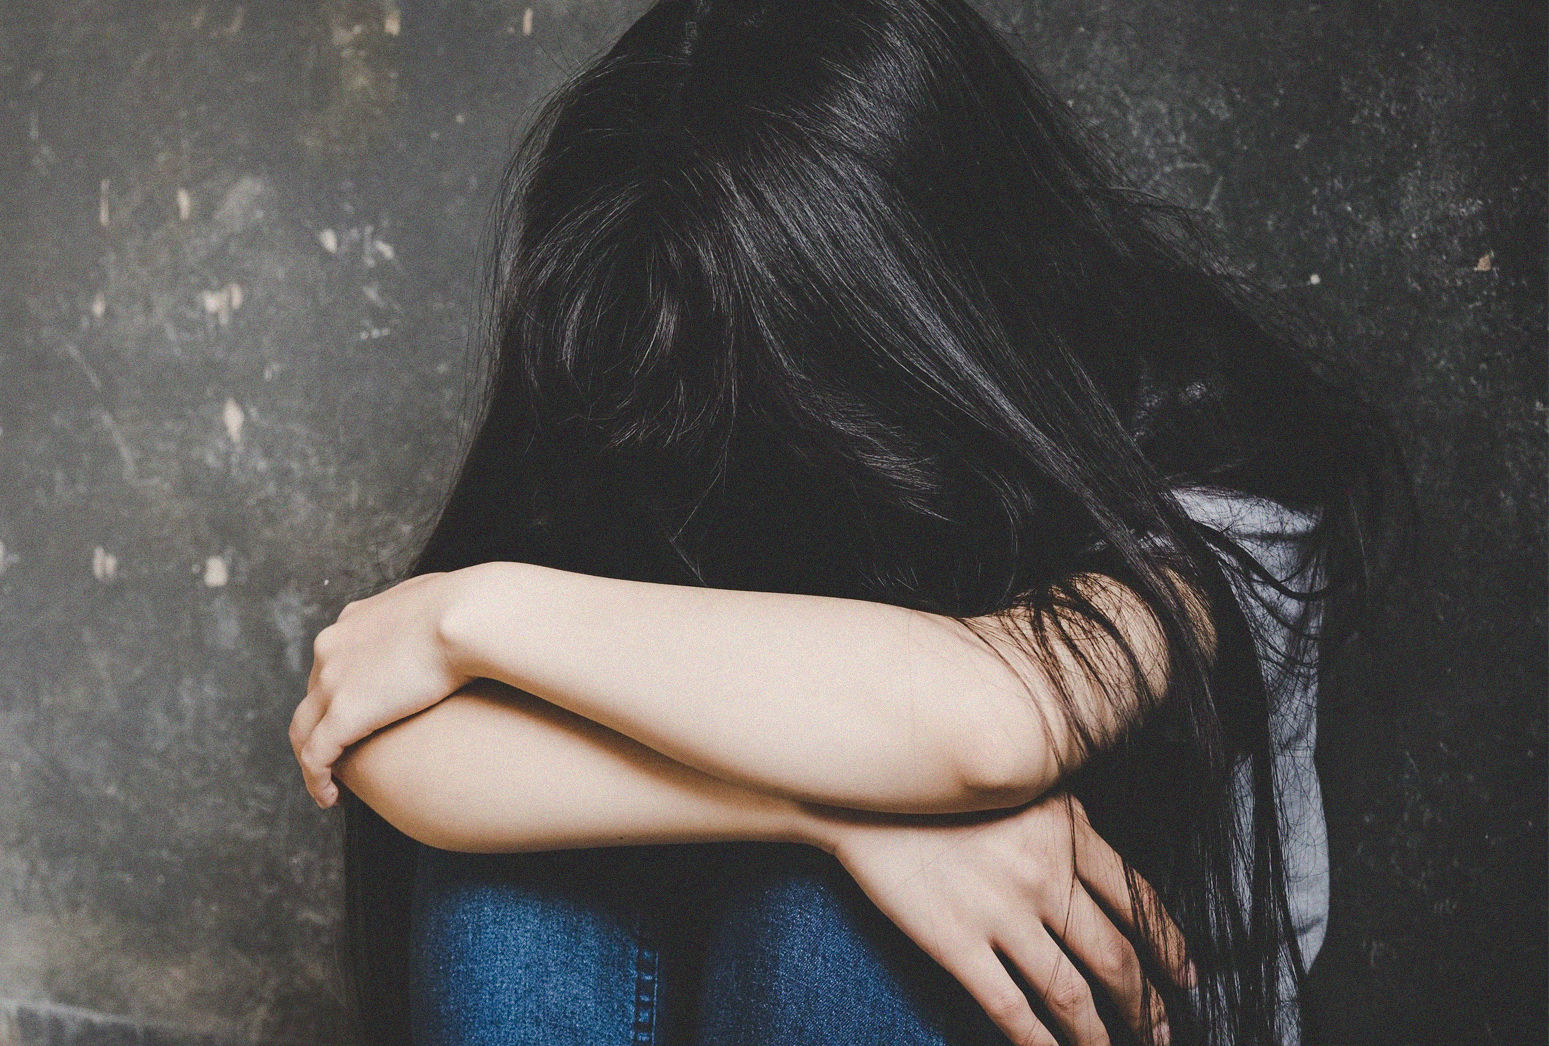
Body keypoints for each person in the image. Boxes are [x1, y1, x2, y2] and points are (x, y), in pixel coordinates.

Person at [285, 0, 1405, 1043]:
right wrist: (834, 815)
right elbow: (383, 742)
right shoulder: (665, 381)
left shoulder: (1211, 460)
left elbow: (989, 723)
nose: (742, 439)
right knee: (513, 887)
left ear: (916, 316)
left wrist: (475, 614)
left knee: (822, 913)